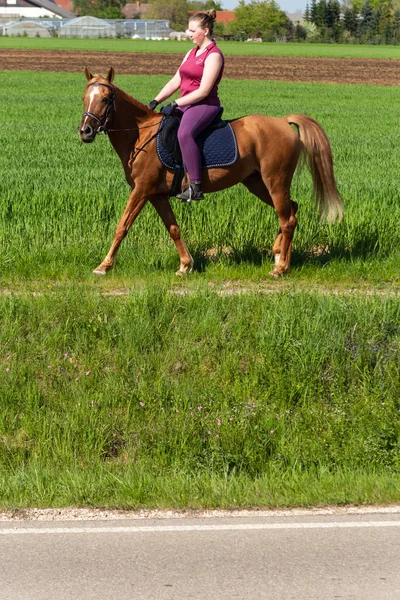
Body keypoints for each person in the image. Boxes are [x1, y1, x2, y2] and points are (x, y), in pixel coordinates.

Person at [148, 10, 224, 202]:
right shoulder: (191, 52)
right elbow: (176, 81)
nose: (189, 34)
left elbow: (204, 91)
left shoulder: (213, 55)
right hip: (185, 104)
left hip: (204, 105)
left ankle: (195, 187)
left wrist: (175, 103)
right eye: (188, 30)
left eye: (193, 30)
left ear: (205, 30)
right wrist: (156, 100)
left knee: (184, 133)